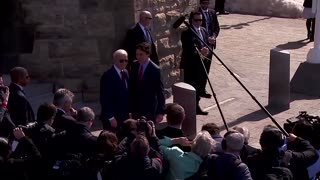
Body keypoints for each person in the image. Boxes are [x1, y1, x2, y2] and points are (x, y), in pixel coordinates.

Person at [247, 125, 318, 180]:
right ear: (282, 143)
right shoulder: (290, 157)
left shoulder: (251, 160)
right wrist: (297, 139)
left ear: (261, 142)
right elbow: (313, 153)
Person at [180, 11, 213, 115]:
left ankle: (196, 106)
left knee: (199, 86)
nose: (199, 22)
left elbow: (207, 44)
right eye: (196, 20)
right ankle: (190, 108)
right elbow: (188, 49)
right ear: (191, 20)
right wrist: (199, 52)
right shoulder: (186, 33)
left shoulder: (204, 30)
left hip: (203, 63)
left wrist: (209, 47)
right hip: (191, 65)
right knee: (191, 86)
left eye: (201, 20)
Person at [129, 42, 165, 122]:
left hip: (149, 108)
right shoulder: (134, 65)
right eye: (137, 54)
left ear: (148, 54)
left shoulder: (155, 70)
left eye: (141, 54)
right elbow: (132, 87)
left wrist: (160, 112)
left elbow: (160, 92)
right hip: (136, 108)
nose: (138, 57)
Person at [100, 49, 130, 132]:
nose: (124, 63)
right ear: (114, 60)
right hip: (113, 118)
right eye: (121, 61)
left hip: (124, 116)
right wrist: (111, 117)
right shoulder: (108, 76)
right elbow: (105, 98)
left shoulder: (126, 73)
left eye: (126, 60)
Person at [198, 0, 220, 98]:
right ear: (200, 3)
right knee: (200, 67)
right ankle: (198, 89)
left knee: (207, 67)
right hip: (202, 44)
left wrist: (214, 37)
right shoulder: (196, 14)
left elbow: (217, 27)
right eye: (204, 3)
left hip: (211, 44)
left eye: (207, 3)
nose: (205, 5)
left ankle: (203, 88)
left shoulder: (212, 13)